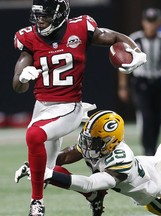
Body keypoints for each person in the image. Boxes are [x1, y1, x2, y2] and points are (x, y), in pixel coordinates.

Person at [12, 0, 146, 215]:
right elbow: (17, 86)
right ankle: (93, 194)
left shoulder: (80, 28)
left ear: (60, 14)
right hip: (43, 107)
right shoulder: (28, 38)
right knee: (46, 168)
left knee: (34, 136)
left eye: (45, 15)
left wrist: (136, 51)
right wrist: (22, 78)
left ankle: (36, 203)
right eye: (37, 15)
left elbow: (116, 37)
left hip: (69, 106)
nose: (40, 20)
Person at [15, 110, 161, 216]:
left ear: (109, 142)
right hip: (153, 167)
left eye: (93, 142)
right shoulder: (102, 143)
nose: (87, 145)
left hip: (155, 194)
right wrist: (37, 166)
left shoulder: (118, 164)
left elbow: (88, 184)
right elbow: (66, 155)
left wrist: (46, 175)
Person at [118, 8, 161, 156]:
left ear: (158, 23)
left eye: (153, 22)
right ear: (143, 22)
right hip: (141, 83)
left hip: (158, 83)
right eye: (148, 22)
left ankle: (152, 147)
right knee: (146, 116)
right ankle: (147, 149)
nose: (151, 26)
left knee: (157, 118)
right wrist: (123, 86)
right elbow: (123, 63)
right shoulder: (134, 40)